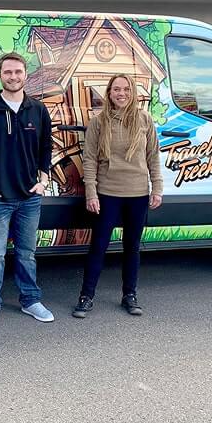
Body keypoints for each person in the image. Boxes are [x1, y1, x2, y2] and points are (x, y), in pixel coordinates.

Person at [0, 52, 54, 329]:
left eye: (18, 72)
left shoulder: (37, 110)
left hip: (30, 198)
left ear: (25, 75)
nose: (13, 76)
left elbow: (45, 147)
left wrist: (43, 179)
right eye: (8, 72)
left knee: (27, 253)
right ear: (0, 75)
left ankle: (30, 300)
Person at [72, 73, 163, 318]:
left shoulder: (144, 120)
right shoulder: (99, 122)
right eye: (115, 90)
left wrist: (158, 188)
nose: (121, 94)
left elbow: (153, 156)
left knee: (132, 247)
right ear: (109, 94)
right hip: (107, 193)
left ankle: (129, 295)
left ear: (132, 93)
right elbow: (89, 159)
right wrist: (91, 192)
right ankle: (86, 296)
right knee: (98, 246)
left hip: (138, 193)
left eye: (125, 89)